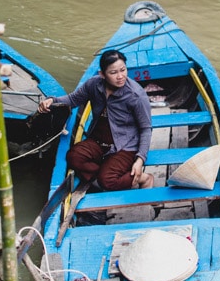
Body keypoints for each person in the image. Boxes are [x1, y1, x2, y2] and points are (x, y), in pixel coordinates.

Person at [37, 49, 154, 190]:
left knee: (107, 181)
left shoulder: (136, 95)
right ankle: (103, 172)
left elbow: (146, 129)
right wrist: (52, 100)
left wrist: (140, 159)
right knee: (74, 157)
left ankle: (144, 178)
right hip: (98, 140)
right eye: (113, 72)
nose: (120, 76)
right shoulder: (93, 84)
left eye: (123, 70)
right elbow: (73, 99)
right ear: (102, 74)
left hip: (125, 146)